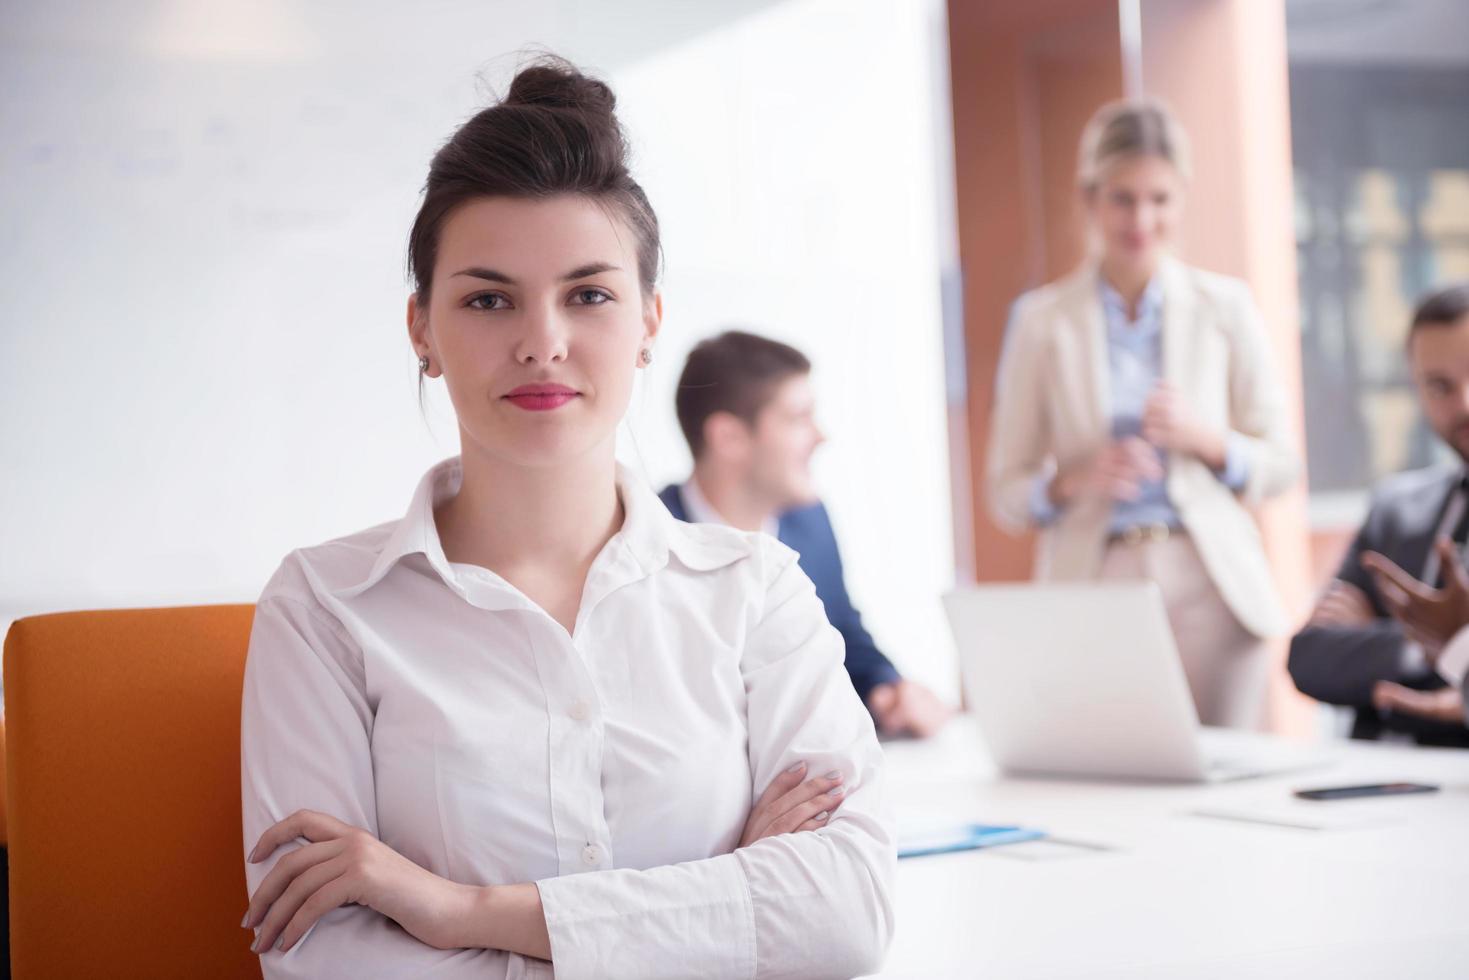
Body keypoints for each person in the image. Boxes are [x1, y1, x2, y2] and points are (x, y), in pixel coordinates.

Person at [238, 59, 894, 979]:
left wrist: (459, 910)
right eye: (487, 298)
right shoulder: (323, 607)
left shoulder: (756, 592)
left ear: (648, 321)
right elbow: (331, 965)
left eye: (588, 294)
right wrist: (725, 898)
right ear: (421, 328)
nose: (541, 340)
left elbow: (847, 916)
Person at [986, 100, 1299, 730]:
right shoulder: (1042, 321)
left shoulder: (1226, 307)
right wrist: (1071, 481)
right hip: (1094, 577)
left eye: (1160, 199)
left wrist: (1208, 441)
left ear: (1181, 199)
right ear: (1090, 198)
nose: (1142, 219)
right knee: (1112, 779)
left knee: (1225, 778)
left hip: (1210, 577)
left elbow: (1282, 463)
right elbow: (1005, 492)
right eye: (1122, 199)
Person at [659, 331, 952, 738]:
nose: (821, 437)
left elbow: (843, 633)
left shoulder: (809, 522)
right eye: (799, 418)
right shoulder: (650, 539)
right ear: (729, 437)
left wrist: (888, 689)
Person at [1289, 283, 1469, 740]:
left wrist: (1384, 636)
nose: (1463, 404)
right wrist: (1434, 645)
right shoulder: (1397, 509)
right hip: (1379, 775)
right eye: (1439, 386)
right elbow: (1309, 659)